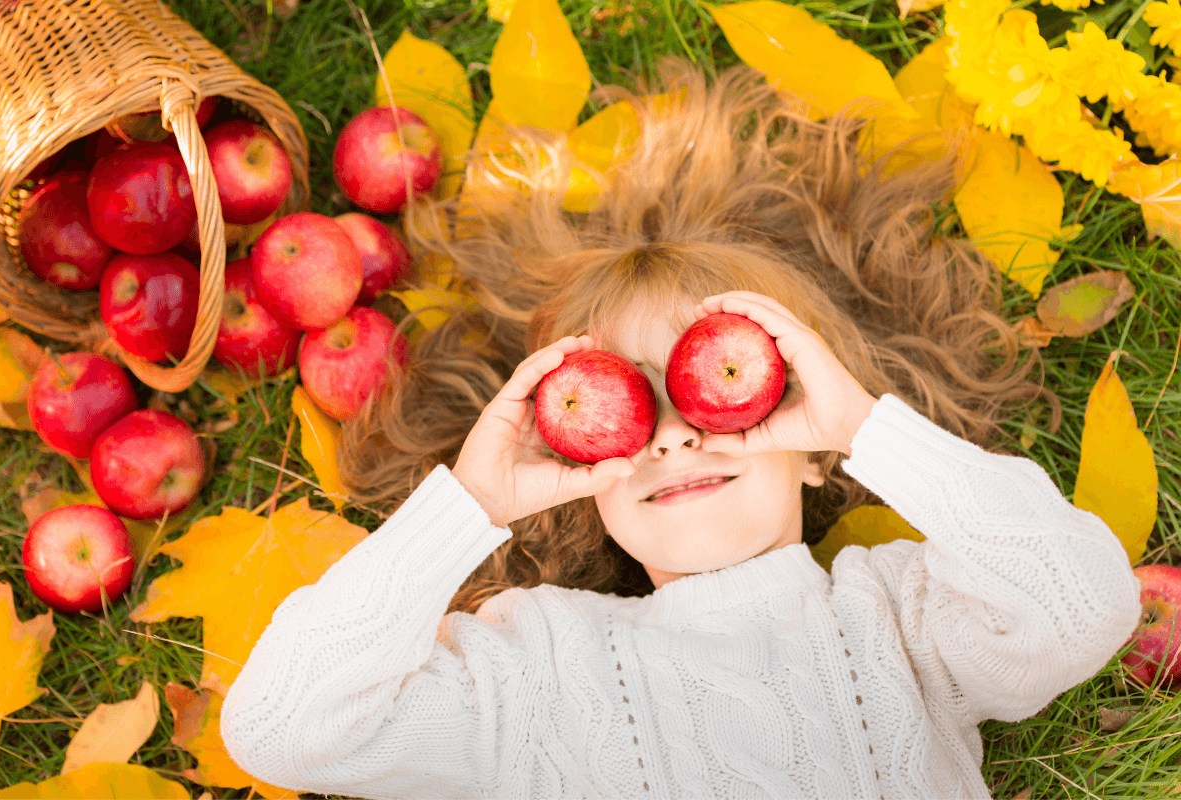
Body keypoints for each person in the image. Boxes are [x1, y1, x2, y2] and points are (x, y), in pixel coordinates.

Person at [220, 61, 1142, 799]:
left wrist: (868, 428)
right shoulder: (538, 668)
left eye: (717, 394)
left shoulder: (899, 619)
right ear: (578, 474)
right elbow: (285, 730)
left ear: (814, 447)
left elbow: (1081, 608)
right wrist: (466, 507)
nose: (671, 436)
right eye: (627, 401)